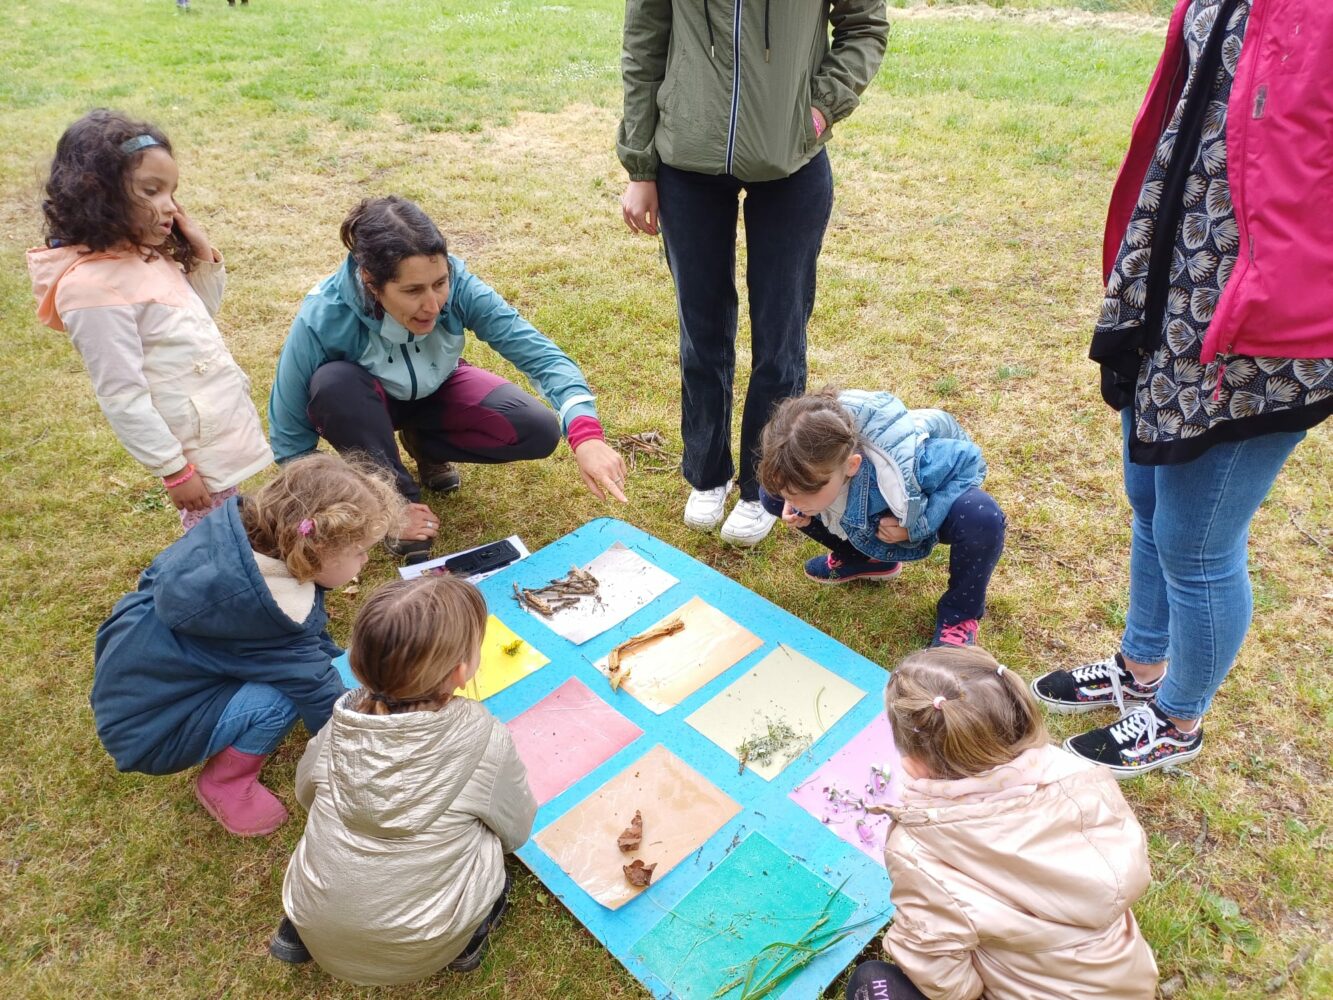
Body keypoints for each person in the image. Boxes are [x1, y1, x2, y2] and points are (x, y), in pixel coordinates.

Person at [1032, 0, 1333, 776]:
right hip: (1178, 292)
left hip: (1265, 322)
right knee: (1149, 502)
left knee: (1195, 542)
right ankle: (1140, 669)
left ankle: (1177, 718)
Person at [618, 0, 889, 546]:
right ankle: (707, 474)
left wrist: (818, 109)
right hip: (686, 163)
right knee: (702, 329)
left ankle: (765, 487)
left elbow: (865, 26)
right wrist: (640, 166)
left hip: (791, 163)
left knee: (781, 334)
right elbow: (644, 46)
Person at [268, 196, 627, 563]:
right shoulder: (324, 314)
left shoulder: (461, 287)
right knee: (333, 384)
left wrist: (586, 434)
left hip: (438, 388)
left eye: (439, 283)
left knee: (537, 429)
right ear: (371, 283)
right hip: (365, 402)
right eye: (412, 291)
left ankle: (426, 446)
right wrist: (362, 504)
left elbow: (543, 357)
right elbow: (291, 441)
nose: (433, 304)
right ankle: (398, 499)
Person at [90, 454, 401, 837]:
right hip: (153, 735)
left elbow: (308, 644)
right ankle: (225, 781)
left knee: (308, 670)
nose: (366, 560)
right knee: (283, 697)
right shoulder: (273, 620)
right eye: (359, 552)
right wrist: (379, 754)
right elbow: (322, 700)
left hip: (135, 688)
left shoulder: (232, 543)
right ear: (316, 551)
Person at [845, 645, 1157, 1000]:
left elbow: (939, 972)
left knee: (871, 982)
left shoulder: (918, 850)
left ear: (914, 762)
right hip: (1127, 983)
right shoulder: (1081, 776)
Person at [272, 575, 537, 983]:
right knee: (490, 851)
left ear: (360, 661)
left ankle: (305, 931)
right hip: (425, 942)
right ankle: (467, 940)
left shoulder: (338, 728)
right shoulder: (485, 740)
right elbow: (516, 829)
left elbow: (306, 794)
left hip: (315, 922)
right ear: (462, 670)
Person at [28, 109, 272, 532]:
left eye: (172, 192)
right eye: (151, 191)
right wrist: (174, 469)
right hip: (189, 444)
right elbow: (122, 396)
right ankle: (219, 587)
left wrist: (201, 255)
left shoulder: (143, 254)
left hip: (210, 420)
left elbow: (197, 317)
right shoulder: (91, 290)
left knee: (226, 518)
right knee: (211, 539)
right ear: (98, 193)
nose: (169, 207)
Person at [757, 389, 1004, 648]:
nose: (796, 501)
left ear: (852, 465)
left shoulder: (913, 462)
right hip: (871, 522)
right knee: (769, 494)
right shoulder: (811, 460)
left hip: (921, 506)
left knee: (980, 514)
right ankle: (866, 560)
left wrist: (917, 527)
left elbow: (969, 461)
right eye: (790, 490)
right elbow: (792, 483)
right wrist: (790, 496)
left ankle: (959, 615)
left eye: (805, 491)